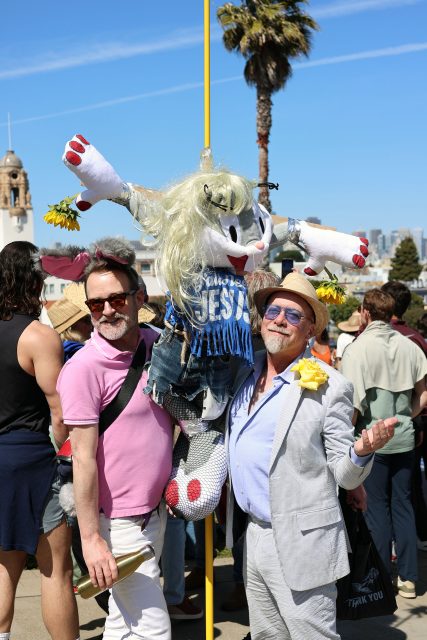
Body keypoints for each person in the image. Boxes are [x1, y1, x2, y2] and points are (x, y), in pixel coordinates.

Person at [226, 272, 396, 640]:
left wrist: (362, 450)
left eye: (293, 316)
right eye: (274, 311)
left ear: (310, 330)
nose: (280, 321)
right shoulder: (243, 372)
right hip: (252, 534)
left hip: (303, 542)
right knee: (267, 636)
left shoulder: (330, 385)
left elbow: (345, 475)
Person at [56, 242, 175, 640]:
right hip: (115, 525)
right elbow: (83, 460)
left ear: (139, 297)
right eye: (95, 304)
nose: (106, 310)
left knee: (124, 625)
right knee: (153, 628)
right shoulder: (83, 370)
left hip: (154, 513)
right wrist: (91, 540)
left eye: (117, 298)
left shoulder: (159, 345)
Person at [0, 241, 79, 640]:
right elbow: (60, 412)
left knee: (2, 566)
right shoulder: (38, 336)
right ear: (33, 279)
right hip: (35, 458)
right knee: (55, 569)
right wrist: (69, 456)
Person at [341, 289, 427, 599]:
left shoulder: (356, 349)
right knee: (403, 505)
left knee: (375, 508)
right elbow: (423, 395)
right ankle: (409, 577)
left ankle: (378, 576)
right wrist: (404, 416)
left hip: (371, 439)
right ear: (391, 314)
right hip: (403, 436)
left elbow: (351, 408)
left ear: (364, 312)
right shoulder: (410, 346)